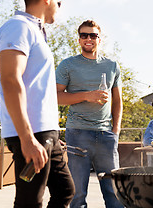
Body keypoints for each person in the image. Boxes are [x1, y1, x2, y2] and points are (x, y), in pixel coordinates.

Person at [0, 0, 74, 208]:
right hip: (32, 132)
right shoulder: (17, 27)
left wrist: (53, 133)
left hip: (47, 132)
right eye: (58, 3)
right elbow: (10, 80)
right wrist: (27, 138)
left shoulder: (35, 31)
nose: (59, 9)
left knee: (65, 191)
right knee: (30, 201)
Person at [56, 20, 123, 208]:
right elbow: (55, 96)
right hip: (77, 134)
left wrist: (115, 131)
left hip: (106, 135)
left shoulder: (112, 66)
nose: (88, 39)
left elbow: (117, 101)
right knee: (77, 194)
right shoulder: (68, 65)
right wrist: (87, 96)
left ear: (99, 39)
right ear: (79, 39)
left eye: (93, 35)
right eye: (84, 35)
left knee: (115, 193)